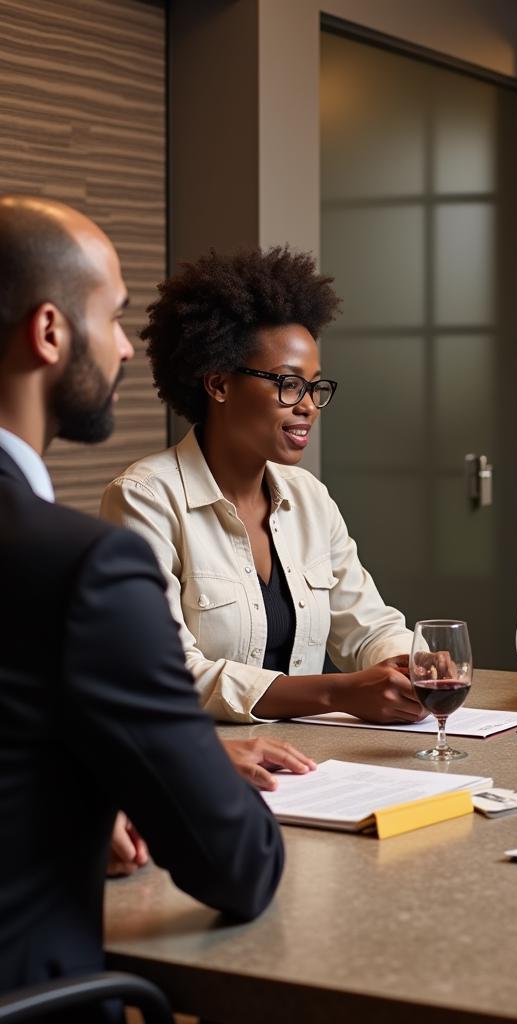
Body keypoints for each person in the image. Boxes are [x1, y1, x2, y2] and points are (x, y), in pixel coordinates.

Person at [0, 194, 310, 1002]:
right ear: (49, 332)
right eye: (111, 318)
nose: (126, 353)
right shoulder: (82, 565)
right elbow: (237, 866)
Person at [100, 248, 425, 724]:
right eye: (289, 384)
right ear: (218, 384)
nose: (309, 405)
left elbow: (367, 627)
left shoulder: (309, 497)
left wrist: (412, 661)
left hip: (312, 763)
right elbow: (168, 672)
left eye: (316, 387)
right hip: (209, 763)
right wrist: (338, 693)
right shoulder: (144, 499)